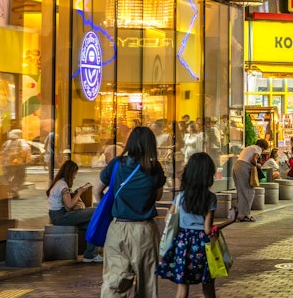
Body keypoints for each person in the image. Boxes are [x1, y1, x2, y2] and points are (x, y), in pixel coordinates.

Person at [95, 126, 166, 297]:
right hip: (144, 231)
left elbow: (97, 190)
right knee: (147, 284)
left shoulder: (116, 164)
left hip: (118, 227)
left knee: (115, 281)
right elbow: (157, 196)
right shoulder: (155, 168)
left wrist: (108, 208)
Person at [156, 152, 219, 298]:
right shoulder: (210, 198)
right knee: (208, 286)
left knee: (182, 287)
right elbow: (208, 229)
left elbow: (168, 219)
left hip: (182, 243)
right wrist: (231, 220)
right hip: (202, 245)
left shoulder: (180, 197)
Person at [46, 159, 103, 262]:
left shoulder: (59, 183)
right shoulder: (62, 185)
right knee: (96, 211)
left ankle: (90, 255)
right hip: (61, 216)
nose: (75, 176)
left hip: (59, 215)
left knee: (94, 223)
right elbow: (69, 205)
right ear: (70, 173)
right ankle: (91, 254)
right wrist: (80, 192)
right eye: (75, 173)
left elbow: (68, 205)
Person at [232, 138, 269, 221]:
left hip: (236, 166)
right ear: (263, 147)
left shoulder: (249, 147)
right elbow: (253, 160)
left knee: (241, 191)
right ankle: (245, 215)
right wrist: (258, 165)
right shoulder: (257, 149)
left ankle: (240, 214)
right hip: (244, 167)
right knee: (249, 192)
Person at [0, 129, 31, 199]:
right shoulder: (21, 141)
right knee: (20, 177)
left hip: (8, 164)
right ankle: (15, 189)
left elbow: (2, 152)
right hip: (19, 164)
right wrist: (25, 159)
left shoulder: (7, 143)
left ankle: (11, 188)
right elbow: (25, 150)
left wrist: (4, 161)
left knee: (8, 177)